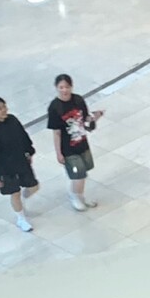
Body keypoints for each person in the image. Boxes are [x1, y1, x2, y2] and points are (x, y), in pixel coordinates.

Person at [47, 73, 103, 211]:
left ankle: (80, 195)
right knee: (78, 174)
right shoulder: (55, 107)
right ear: (56, 88)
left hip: (82, 143)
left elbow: (85, 119)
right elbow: (56, 132)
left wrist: (94, 118)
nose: (64, 90)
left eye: (67, 87)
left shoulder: (78, 100)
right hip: (68, 148)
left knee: (85, 169)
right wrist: (59, 153)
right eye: (61, 87)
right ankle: (75, 196)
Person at [0, 96, 40, 233]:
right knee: (15, 192)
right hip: (6, 168)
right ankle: (21, 218)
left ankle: (21, 203)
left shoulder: (12, 120)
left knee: (33, 186)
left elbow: (23, 136)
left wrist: (29, 151)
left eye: (4, 106)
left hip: (20, 161)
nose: (4, 110)